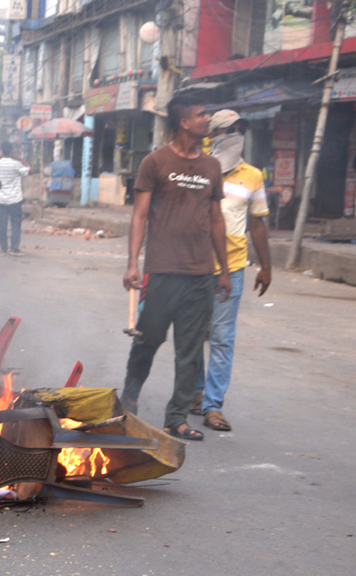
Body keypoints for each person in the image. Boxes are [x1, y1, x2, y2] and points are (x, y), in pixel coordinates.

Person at [118, 95, 231, 442]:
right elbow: (139, 216)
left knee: (191, 350)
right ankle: (129, 400)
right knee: (147, 341)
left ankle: (177, 418)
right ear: (184, 122)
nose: (208, 119)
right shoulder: (155, 162)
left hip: (200, 273)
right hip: (163, 271)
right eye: (202, 114)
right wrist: (133, 264)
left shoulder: (212, 166)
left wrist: (224, 270)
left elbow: (216, 219)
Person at [190, 110, 273, 432]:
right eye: (227, 129)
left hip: (233, 267)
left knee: (222, 338)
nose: (235, 134)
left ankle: (213, 406)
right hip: (195, 265)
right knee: (194, 334)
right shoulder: (196, 168)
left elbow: (257, 223)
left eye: (239, 129)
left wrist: (266, 266)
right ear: (212, 134)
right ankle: (197, 392)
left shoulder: (252, 175)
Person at [0, 141, 30, 256]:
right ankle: (14, 248)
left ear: (1, 151)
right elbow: (29, 170)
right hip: (15, 198)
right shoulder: (16, 164)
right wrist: (20, 159)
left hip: (1, 198)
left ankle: (3, 248)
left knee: (2, 224)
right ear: (11, 150)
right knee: (15, 224)